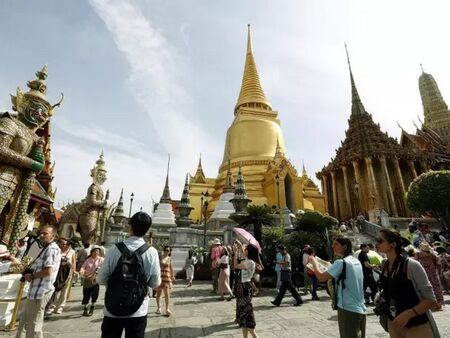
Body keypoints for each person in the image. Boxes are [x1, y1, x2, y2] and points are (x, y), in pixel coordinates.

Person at [97, 212, 161, 338]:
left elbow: (101, 279)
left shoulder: (114, 249)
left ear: (129, 226)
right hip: (138, 308)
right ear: (148, 230)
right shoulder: (151, 252)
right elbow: (155, 283)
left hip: (113, 307)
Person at [376, 228, 440, 337]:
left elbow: (431, 300)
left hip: (416, 325)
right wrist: (380, 294)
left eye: (380, 241)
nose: (376, 244)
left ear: (393, 244)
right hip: (394, 323)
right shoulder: (384, 265)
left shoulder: (412, 265)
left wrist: (408, 314)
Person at [311, 236, 366, 338]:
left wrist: (314, 262)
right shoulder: (355, 261)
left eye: (336, 244)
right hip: (360, 308)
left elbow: (321, 277)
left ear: (345, 247)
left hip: (347, 308)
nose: (333, 246)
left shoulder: (341, 263)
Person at [15, 225, 61, 338]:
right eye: (40, 233)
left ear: (53, 236)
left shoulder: (51, 249)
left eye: (45, 233)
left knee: (34, 325)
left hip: (41, 291)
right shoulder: (46, 248)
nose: (41, 235)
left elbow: (48, 271)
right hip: (35, 291)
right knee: (25, 321)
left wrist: (32, 276)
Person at [233, 241, 259, 338]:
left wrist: (235, 252)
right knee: (243, 318)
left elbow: (235, 265)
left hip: (244, 288)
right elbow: (242, 256)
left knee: (246, 315)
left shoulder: (250, 262)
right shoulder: (248, 260)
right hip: (243, 287)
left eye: (246, 249)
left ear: (249, 252)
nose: (245, 250)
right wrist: (240, 247)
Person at [46, 237, 76, 315]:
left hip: (67, 274)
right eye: (63, 244)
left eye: (65, 244)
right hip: (57, 273)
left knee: (64, 291)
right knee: (55, 290)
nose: (64, 245)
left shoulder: (72, 252)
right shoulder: (58, 251)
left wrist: (73, 272)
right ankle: (52, 306)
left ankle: (60, 307)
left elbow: (73, 263)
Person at [417, 242, 444, 310]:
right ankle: (439, 304)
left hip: (424, 273)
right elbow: (439, 264)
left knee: (429, 288)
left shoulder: (418, 255)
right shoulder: (433, 255)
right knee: (436, 288)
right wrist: (440, 272)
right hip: (433, 273)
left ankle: (432, 304)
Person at [80, 245, 104, 316]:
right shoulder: (88, 260)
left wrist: (99, 271)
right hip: (87, 279)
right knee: (86, 295)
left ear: (99, 252)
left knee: (94, 295)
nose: (96, 252)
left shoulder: (102, 260)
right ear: (91, 252)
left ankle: (92, 308)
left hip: (96, 280)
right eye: (94, 251)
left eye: (97, 251)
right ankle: (85, 309)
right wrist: (82, 271)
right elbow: (83, 267)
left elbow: (104, 268)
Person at [155, 245, 175, 316]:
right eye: (166, 250)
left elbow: (171, 268)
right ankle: (158, 308)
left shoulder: (170, 259)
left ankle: (167, 309)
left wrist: (173, 276)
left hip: (166, 277)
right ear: (163, 250)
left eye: (168, 250)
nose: (167, 251)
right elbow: (156, 266)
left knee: (167, 294)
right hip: (160, 277)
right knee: (158, 293)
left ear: (170, 251)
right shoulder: (160, 257)